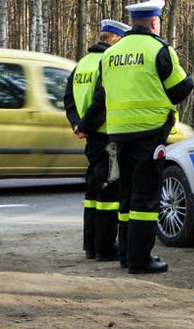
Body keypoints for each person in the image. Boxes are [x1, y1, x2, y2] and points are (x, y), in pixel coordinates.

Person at [77, 0, 194, 274]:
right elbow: (178, 90)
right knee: (146, 195)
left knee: (126, 194)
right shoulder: (159, 50)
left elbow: (100, 97)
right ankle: (141, 259)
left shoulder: (110, 55)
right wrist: (188, 80)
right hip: (149, 133)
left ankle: (127, 255)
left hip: (118, 135)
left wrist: (85, 124)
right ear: (154, 23)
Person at [64, 19, 130, 261]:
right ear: (114, 39)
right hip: (105, 134)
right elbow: (102, 99)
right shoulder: (106, 62)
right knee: (109, 193)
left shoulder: (82, 63)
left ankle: (90, 245)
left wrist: (77, 124)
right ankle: (105, 248)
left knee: (92, 192)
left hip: (90, 136)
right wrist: (87, 124)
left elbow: (69, 97)